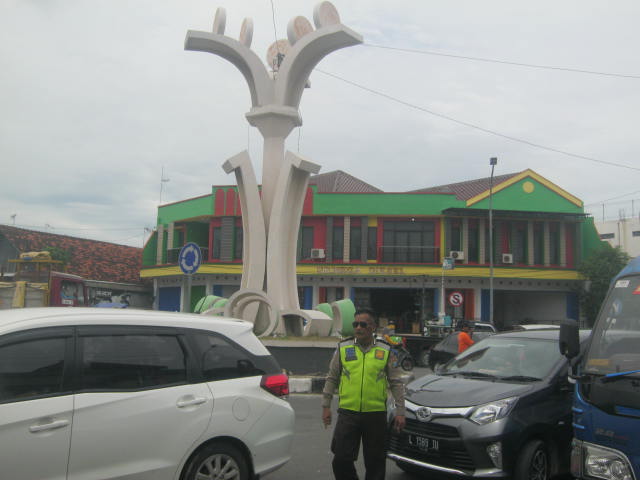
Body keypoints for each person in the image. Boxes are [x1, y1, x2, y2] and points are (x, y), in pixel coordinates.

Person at [321, 308, 406, 480]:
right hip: (348, 413)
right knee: (341, 460)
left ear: (373, 327)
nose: (358, 328)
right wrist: (326, 406)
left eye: (363, 324)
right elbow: (332, 378)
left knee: (375, 463)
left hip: (375, 415)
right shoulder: (343, 348)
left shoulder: (385, 350)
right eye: (355, 324)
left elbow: (396, 383)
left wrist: (400, 412)